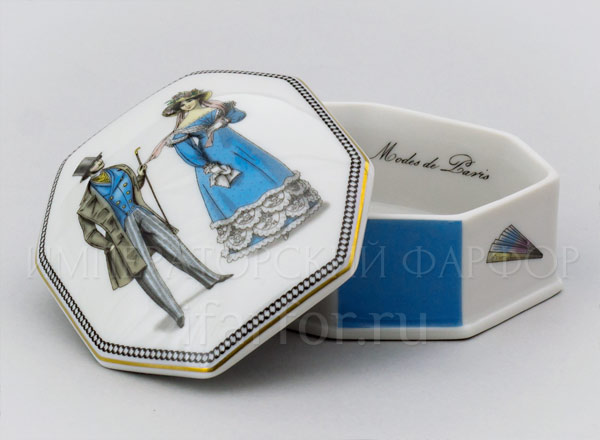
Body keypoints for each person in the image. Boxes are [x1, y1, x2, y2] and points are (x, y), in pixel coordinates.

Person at [147, 89, 322, 262]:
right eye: (182, 105)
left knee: (261, 173)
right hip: (215, 155)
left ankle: (288, 219)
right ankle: (265, 233)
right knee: (237, 188)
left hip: (237, 146)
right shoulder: (184, 126)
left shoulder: (216, 108)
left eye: (188, 100)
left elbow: (240, 115)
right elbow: (186, 150)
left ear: (198, 98)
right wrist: (206, 165)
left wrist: (226, 117)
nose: (186, 105)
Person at [73, 153, 232, 328]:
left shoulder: (120, 170)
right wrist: (108, 246)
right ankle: (175, 312)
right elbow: (89, 233)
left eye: (98, 159)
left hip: (140, 212)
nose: (99, 161)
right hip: (122, 232)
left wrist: (140, 176)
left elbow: (134, 187)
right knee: (143, 269)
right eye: (94, 162)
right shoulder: (88, 201)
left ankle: (210, 278)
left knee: (173, 245)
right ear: (88, 172)